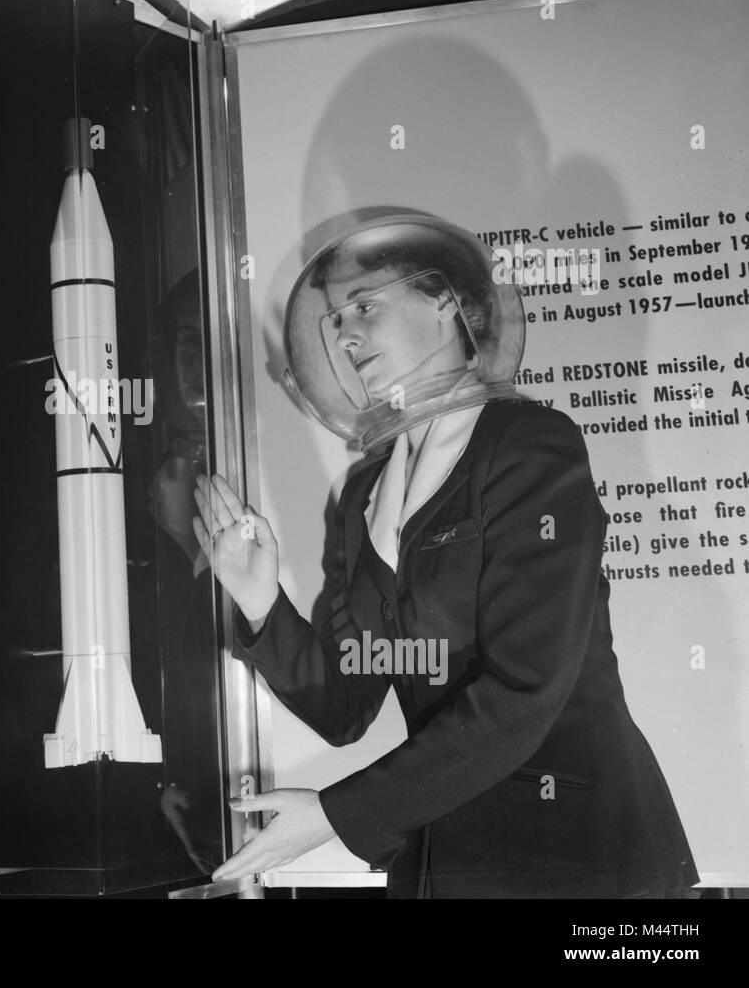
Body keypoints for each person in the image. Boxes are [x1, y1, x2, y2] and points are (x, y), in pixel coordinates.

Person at [191, 214, 698, 898]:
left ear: (445, 302)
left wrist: (334, 818)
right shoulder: (362, 495)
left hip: (574, 857)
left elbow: (525, 691)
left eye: (365, 306)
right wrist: (259, 599)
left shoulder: (528, 444)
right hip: (446, 861)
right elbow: (348, 701)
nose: (344, 334)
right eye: (337, 318)